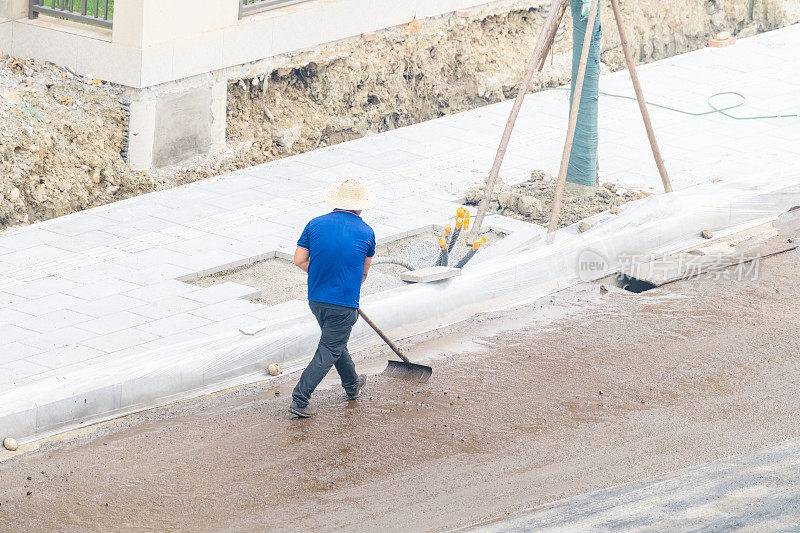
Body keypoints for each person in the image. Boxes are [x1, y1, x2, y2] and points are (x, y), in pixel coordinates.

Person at [288, 178, 377, 418]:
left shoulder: (314, 224)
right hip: (344, 303)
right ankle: (300, 398)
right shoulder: (367, 232)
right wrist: (346, 286)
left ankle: (352, 385)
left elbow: (299, 260)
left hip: (316, 299)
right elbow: (364, 273)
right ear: (361, 206)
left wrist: (320, 274)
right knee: (329, 348)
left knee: (335, 344)